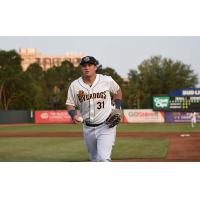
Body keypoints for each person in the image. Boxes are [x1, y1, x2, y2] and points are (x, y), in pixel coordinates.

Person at [66, 56, 122, 162]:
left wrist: (117, 108)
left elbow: (118, 91)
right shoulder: (75, 85)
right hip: (88, 128)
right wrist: (74, 115)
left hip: (106, 125)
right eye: (84, 65)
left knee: (103, 158)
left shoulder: (106, 80)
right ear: (81, 68)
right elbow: (70, 104)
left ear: (95, 67)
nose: (86, 68)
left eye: (90, 65)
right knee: (94, 159)